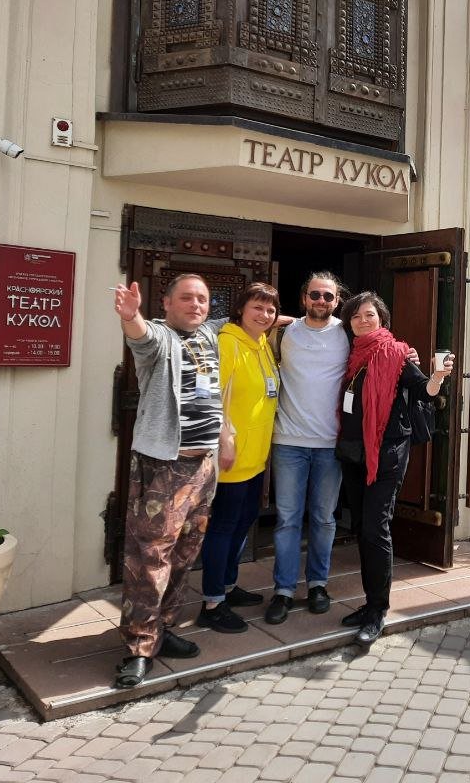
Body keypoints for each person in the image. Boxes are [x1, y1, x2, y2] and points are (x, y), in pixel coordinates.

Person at [111, 275, 223, 688]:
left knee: (183, 553)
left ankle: (163, 628)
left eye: (203, 299)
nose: (196, 305)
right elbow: (141, 336)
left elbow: (254, 318)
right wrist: (130, 316)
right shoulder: (162, 337)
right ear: (168, 302)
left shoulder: (209, 334)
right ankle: (138, 647)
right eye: (188, 298)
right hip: (165, 466)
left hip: (203, 467)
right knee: (149, 558)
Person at [337, 292, 453, 646]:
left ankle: (377, 611)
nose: (362, 320)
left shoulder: (397, 354)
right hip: (354, 453)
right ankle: (369, 601)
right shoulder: (350, 355)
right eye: (356, 316)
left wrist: (437, 376)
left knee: (376, 528)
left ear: (382, 319)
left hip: (386, 453)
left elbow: (423, 391)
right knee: (361, 526)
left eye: (369, 314)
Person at [265, 273, 351, 625]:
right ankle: (283, 590)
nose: (321, 301)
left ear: (337, 300)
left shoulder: (348, 332)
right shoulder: (283, 331)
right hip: (288, 442)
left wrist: (410, 354)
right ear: (303, 298)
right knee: (286, 520)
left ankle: (318, 584)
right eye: (314, 294)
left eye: (328, 296)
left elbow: (381, 349)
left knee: (323, 518)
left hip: (331, 444)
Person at [195, 283, 281, 634]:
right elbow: (208, 393)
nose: (264, 315)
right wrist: (223, 437)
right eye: (256, 307)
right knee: (224, 527)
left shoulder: (262, 343)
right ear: (240, 309)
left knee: (243, 522)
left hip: (256, 458)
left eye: (270, 310)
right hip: (231, 458)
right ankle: (212, 602)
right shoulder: (227, 342)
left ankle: (228, 585)